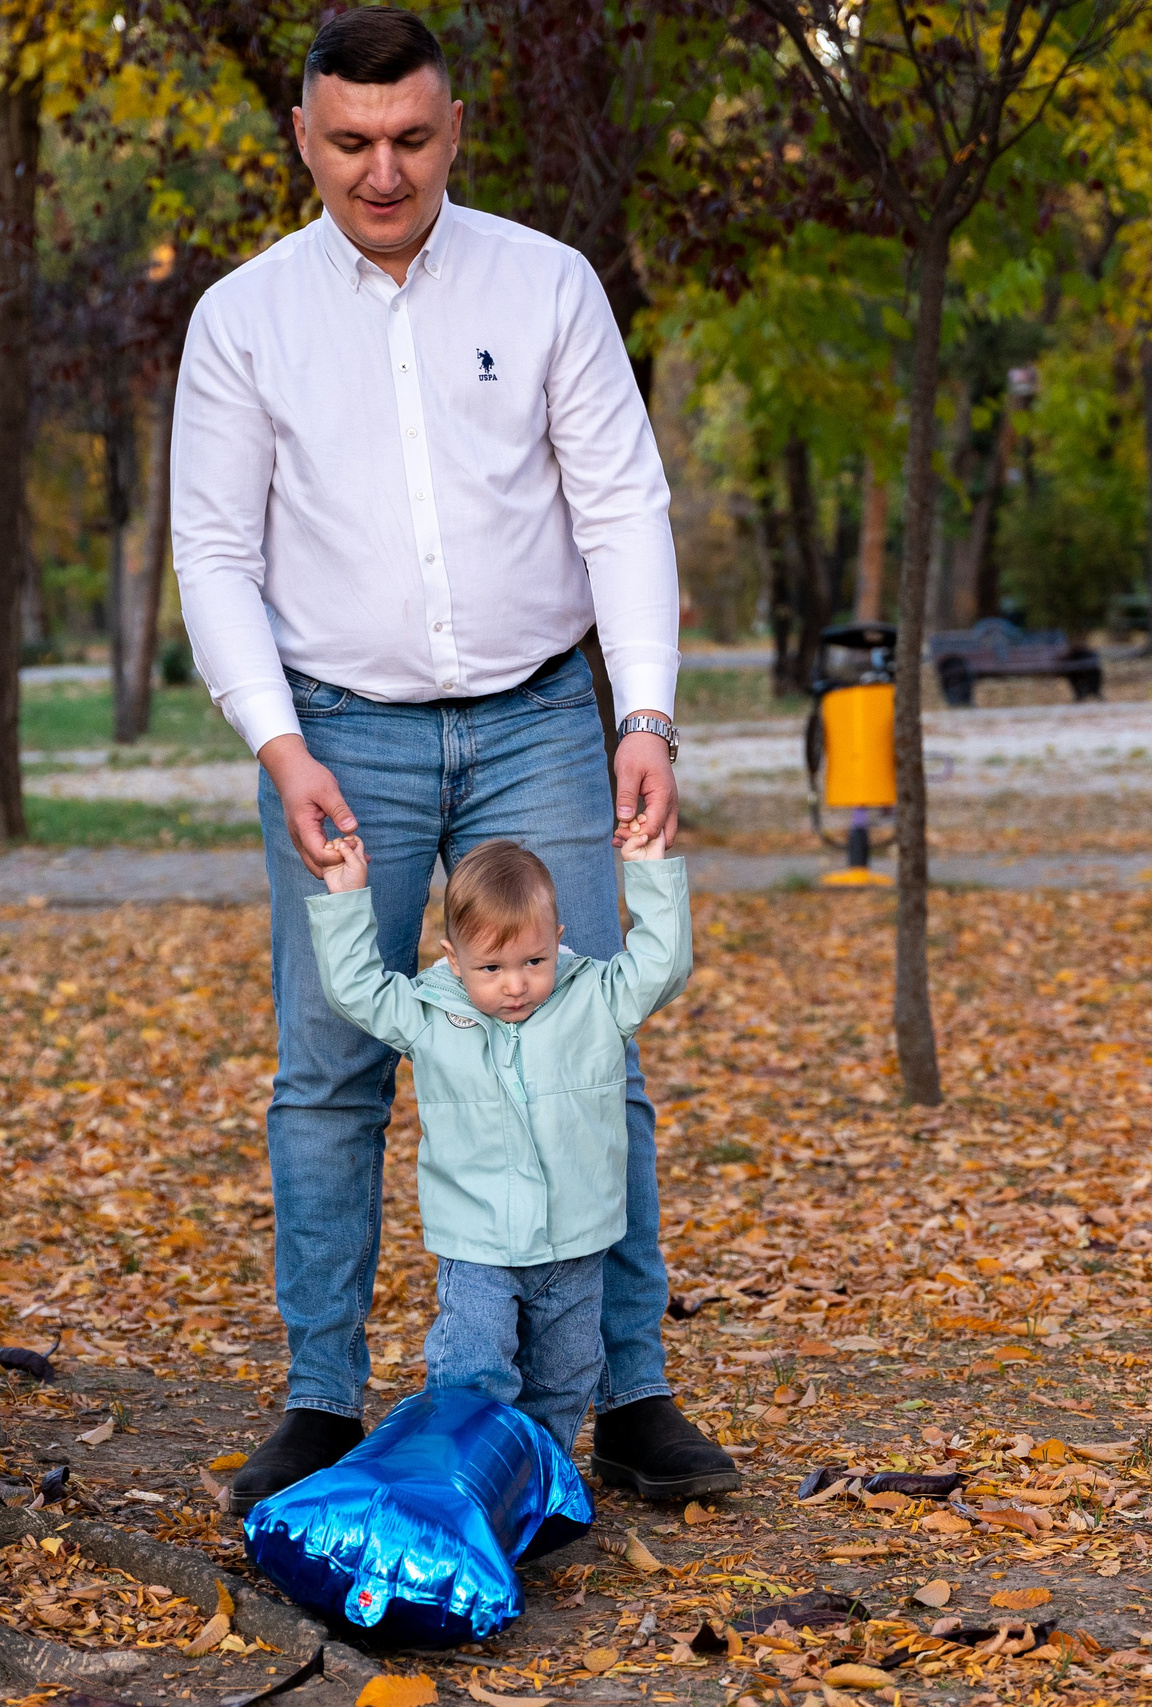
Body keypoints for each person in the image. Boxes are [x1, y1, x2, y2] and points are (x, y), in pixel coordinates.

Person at [170, 6, 739, 1508]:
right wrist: (276, 744)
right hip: (337, 728)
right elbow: (214, 550)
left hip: (544, 716)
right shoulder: (245, 319)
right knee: (330, 1066)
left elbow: (623, 505)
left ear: (455, 126)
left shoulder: (545, 284)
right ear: (305, 134)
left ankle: (628, 1386)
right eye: (351, 141)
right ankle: (318, 1393)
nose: (382, 169)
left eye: (412, 138)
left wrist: (646, 715)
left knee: (585, 1049)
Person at [307, 829, 687, 1449]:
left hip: (577, 1239)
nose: (515, 985)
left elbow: (662, 967)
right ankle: (463, 1474)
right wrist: (347, 899)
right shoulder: (427, 1014)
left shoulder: (596, 999)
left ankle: (537, 1484)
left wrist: (649, 874)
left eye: (533, 962)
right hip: (478, 1242)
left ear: (558, 945)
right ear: (454, 960)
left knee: (565, 1377)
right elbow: (356, 990)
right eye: (491, 968)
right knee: (472, 1369)